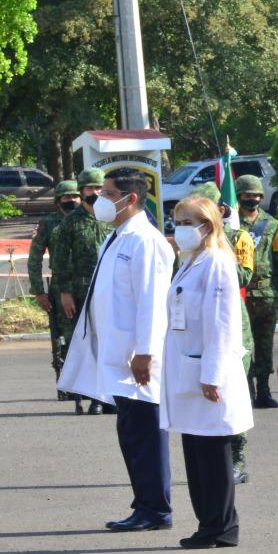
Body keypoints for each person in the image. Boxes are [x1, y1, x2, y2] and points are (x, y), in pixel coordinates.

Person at [58, 167, 175, 532]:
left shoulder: (145, 240)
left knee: (144, 433)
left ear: (131, 199)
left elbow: (152, 302)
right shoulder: (118, 236)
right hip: (119, 353)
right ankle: (144, 504)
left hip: (137, 357)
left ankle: (156, 509)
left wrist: (145, 352)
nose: (99, 200)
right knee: (131, 432)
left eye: (108, 194)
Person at [161, 195, 254, 549]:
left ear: (208, 225)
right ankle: (207, 524)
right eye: (177, 222)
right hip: (189, 367)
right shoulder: (190, 261)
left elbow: (223, 323)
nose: (179, 229)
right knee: (196, 450)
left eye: (187, 222)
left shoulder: (217, 262)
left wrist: (213, 374)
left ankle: (221, 527)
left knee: (213, 453)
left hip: (207, 371)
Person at [192, 181, 257, 484]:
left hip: (234, 327)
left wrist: (222, 245)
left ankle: (238, 459)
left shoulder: (238, 237)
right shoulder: (191, 244)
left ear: (219, 210)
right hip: (199, 329)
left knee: (232, 394)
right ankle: (215, 459)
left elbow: (244, 274)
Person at [52, 168, 113, 416]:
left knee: (110, 343)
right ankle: (95, 397)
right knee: (90, 345)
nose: (95, 193)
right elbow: (60, 261)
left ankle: (110, 396)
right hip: (81, 289)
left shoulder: (111, 218)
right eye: (90, 189)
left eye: (99, 188)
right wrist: (64, 292)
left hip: (109, 289)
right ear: (81, 191)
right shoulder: (71, 223)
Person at [236, 174, 278, 409]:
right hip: (241, 294)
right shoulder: (231, 225)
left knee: (264, 345)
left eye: (256, 195)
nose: (252, 199)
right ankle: (247, 390)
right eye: (247, 195)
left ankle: (264, 391)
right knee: (243, 344)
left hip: (265, 293)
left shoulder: (272, 224)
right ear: (238, 196)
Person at [29, 180, 80, 398]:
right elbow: (34, 257)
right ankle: (67, 383)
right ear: (58, 200)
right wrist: (39, 291)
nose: (72, 201)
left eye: (75, 196)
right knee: (66, 338)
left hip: (87, 283)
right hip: (61, 288)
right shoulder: (49, 223)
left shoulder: (90, 219)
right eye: (67, 197)